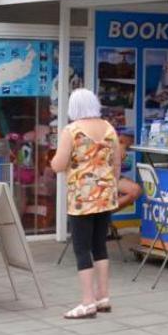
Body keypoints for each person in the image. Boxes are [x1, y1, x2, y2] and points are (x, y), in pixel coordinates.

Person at [50, 88, 121, 319]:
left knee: (82, 249)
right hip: (106, 196)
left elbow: (58, 165)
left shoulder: (72, 131)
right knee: (100, 245)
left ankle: (88, 301)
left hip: (82, 199)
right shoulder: (110, 129)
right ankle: (104, 296)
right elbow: (117, 163)